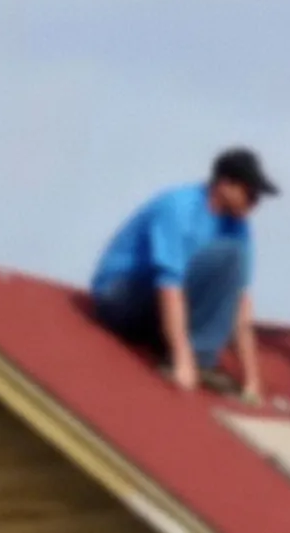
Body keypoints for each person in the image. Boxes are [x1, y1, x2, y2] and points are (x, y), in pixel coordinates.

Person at [91, 148, 279, 398]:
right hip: (122, 296)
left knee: (232, 259)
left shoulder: (237, 228)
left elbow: (240, 302)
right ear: (225, 184)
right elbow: (169, 285)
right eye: (250, 194)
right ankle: (188, 357)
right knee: (228, 256)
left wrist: (252, 380)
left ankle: (195, 355)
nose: (255, 203)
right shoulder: (178, 208)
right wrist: (182, 361)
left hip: (159, 312)